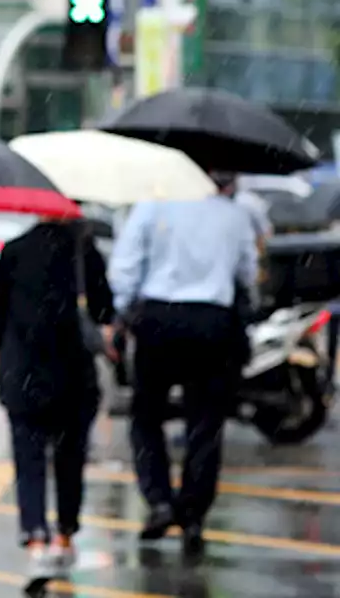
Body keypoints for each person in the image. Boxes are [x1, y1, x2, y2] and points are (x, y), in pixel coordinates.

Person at [109, 170, 258, 556]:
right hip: (213, 321)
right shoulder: (234, 215)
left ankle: (158, 499)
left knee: (146, 416)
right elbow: (248, 272)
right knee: (206, 423)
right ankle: (192, 513)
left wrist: (125, 311)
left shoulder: (153, 205)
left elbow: (124, 266)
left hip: (158, 318)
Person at [0, 216, 115, 586]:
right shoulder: (83, 252)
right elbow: (104, 309)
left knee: (28, 458)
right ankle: (65, 535)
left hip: (23, 370)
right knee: (70, 457)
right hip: (72, 371)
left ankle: (36, 541)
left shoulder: (14, 250)